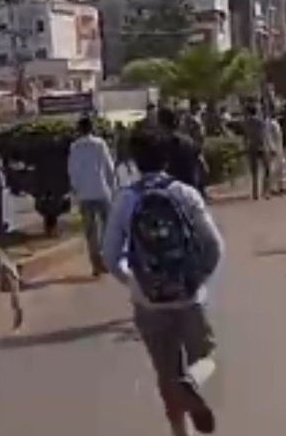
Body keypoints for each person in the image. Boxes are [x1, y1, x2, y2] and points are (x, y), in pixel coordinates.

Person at [102, 129, 224, 436]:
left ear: (135, 161)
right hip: (189, 296)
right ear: (166, 158)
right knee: (206, 356)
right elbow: (214, 246)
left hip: (148, 301)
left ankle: (179, 432)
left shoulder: (126, 200)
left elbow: (110, 254)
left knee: (165, 372)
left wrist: (134, 282)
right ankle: (193, 382)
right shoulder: (185, 193)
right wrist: (198, 279)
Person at [67, 116, 116, 276]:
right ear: (92, 128)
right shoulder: (100, 144)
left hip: (84, 195)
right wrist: (113, 187)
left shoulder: (75, 147)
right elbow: (109, 167)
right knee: (107, 228)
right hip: (102, 191)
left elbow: (72, 171)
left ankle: (96, 263)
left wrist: (76, 189)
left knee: (90, 231)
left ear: (79, 130)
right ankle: (104, 257)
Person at [158, 108, 204, 193]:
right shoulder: (188, 141)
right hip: (190, 190)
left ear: (161, 124)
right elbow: (199, 164)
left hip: (172, 192)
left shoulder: (161, 144)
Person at [243, 104, 269, 200]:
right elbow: (264, 135)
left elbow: (245, 137)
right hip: (261, 146)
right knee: (266, 169)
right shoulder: (260, 122)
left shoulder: (246, 123)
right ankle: (265, 191)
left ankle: (255, 192)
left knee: (254, 171)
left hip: (251, 147)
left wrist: (246, 145)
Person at [265, 111, 286, 196]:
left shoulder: (275, 122)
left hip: (279, 147)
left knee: (280, 168)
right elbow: (268, 136)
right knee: (273, 169)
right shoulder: (269, 123)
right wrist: (271, 147)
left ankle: (280, 186)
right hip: (274, 149)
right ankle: (272, 188)